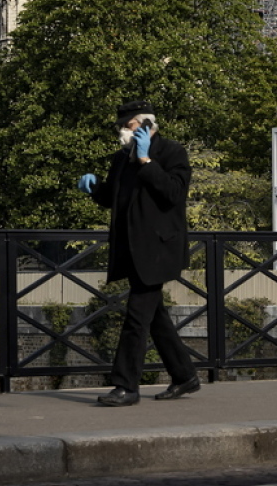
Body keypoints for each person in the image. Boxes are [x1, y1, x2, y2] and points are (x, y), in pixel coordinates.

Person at [77, 101, 201, 406]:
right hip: (131, 248)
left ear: (146, 125)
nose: (122, 131)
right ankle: (185, 376)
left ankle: (125, 386)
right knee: (154, 317)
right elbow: (113, 199)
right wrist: (95, 188)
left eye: (127, 125)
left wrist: (147, 160)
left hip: (158, 250)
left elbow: (173, 193)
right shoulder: (122, 159)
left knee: (136, 317)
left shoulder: (172, 152)